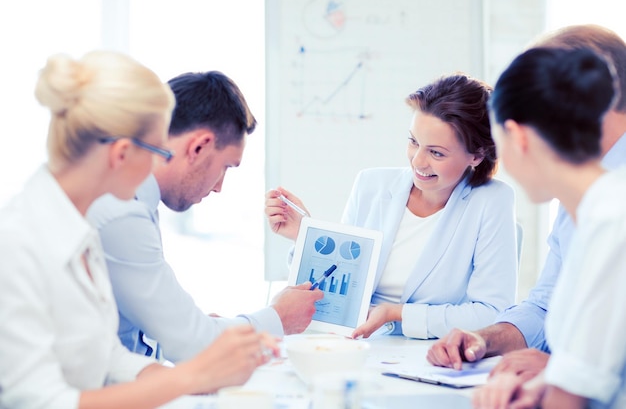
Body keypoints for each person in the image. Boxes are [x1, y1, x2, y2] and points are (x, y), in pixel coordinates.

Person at [0, 51, 278, 409]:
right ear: (121, 154)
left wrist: (205, 374)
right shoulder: (18, 243)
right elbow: (37, 401)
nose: (158, 167)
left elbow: (107, 354)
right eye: (157, 151)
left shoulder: (78, 230)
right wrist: (194, 376)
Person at [426, 24, 626, 377]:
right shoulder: (580, 184)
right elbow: (545, 305)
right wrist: (486, 339)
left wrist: (564, 375)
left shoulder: (609, 204)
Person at [87, 70, 323, 363]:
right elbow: (190, 344)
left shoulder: (127, 194)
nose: (219, 187)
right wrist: (278, 319)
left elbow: (158, 332)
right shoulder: (121, 211)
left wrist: (203, 330)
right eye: (225, 166)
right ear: (198, 147)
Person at [265, 73, 518, 340]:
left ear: (476, 156)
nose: (418, 162)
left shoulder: (491, 202)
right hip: (356, 343)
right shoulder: (371, 184)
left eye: (436, 153)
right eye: (413, 142)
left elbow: (492, 312)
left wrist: (396, 313)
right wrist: (306, 235)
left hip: (429, 351)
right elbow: (340, 283)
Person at [473, 46, 626, 409]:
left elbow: (572, 398)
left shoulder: (610, 223)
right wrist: (543, 386)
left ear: (518, 137)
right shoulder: (594, 209)